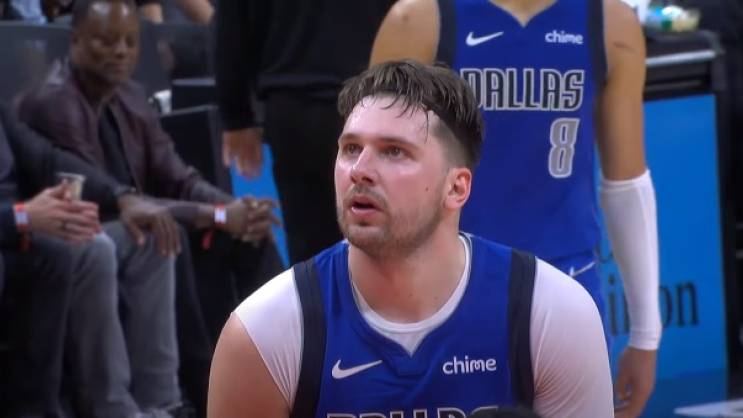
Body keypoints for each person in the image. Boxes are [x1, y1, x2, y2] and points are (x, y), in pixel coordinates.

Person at [208, 61, 613, 418]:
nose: (359, 170)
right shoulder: (263, 334)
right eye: (351, 148)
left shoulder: (552, 312)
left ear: (456, 188)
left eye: (394, 151)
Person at [369, 1, 661, 417]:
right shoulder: (418, 19)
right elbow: (374, 179)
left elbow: (626, 183)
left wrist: (646, 333)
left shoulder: (610, 22)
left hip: (569, 287)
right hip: (450, 295)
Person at [17, 0, 283, 338]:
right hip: (93, 224)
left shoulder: (131, 95)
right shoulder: (54, 104)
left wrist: (234, 208)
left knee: (250, 234)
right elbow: (106, 200)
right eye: (106, 41)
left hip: (144, 215)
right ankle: (203, 366)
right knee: (170, 234)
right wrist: (218, 214)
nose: (120, 51)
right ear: (75, 40)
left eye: (130, 41)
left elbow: (178, 177)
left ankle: (280, 349)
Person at [0, 101, 185, 418]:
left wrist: (121, 196)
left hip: (25, 227)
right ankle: (106, 408)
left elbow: (47, 159)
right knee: (87, 250)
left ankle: (162, 405)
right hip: (12, 230)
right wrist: (19, 217)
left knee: (146, 239)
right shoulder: (54, 100)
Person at [214, 0, 394, 263]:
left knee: (319, 252)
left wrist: (236, 116)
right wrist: (236, 116)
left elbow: (231, 21)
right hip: (357, 98)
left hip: (306, 102)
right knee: (376, 244)